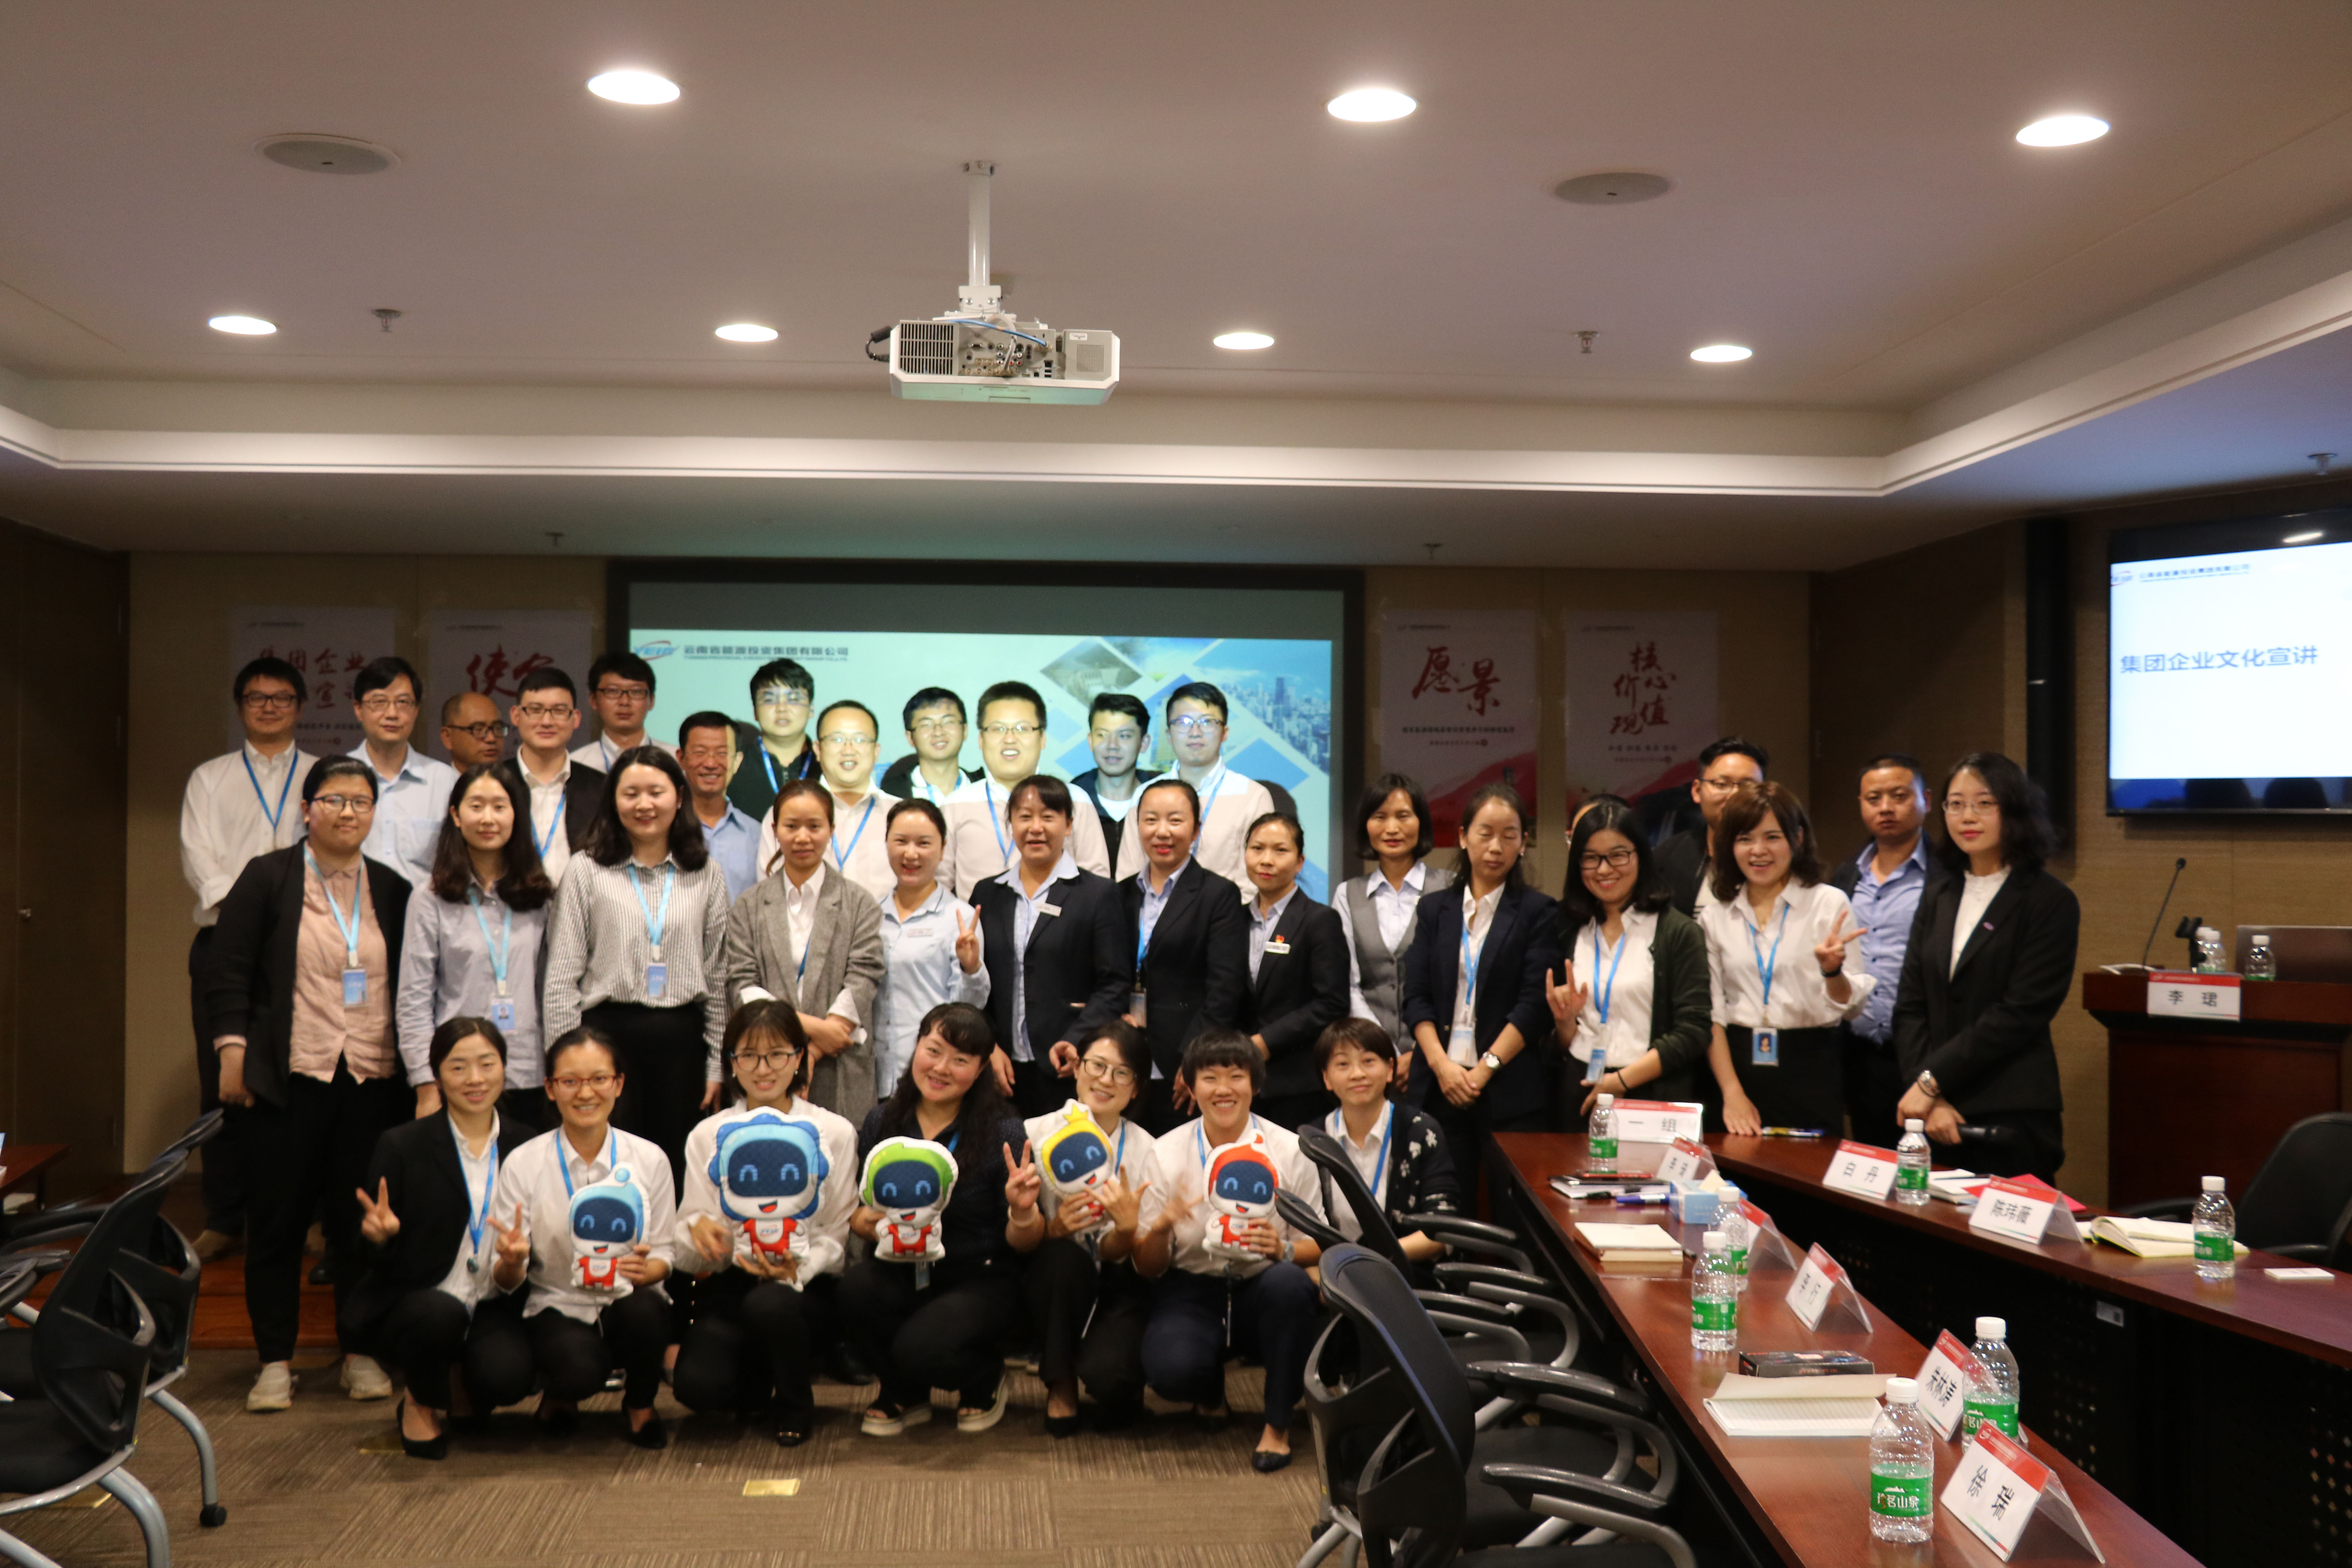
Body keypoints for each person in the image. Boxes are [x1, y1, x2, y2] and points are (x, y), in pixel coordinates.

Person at [205, 756, 412, 1413]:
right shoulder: (268, 877)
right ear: (307, 810)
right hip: (289, 1078)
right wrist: (232, 1051)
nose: (348, 812)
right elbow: (228, 969)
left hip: (370, 1077)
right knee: (277, 1222)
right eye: (334, 800)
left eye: (361, 802)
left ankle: (360, 1351)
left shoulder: (393, 888)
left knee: (359, 1224)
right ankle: (274, 1360)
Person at [340, 1019, 539, 1459]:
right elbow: (370, 1258)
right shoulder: (403, 1145)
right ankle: (420, 1399)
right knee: (439, 1315)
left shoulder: (528, 1146)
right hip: (419, 1300)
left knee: (509, 1377)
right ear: (437, 1076)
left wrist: (513, 1262)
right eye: (458, 1067)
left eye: (487, 1064)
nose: (475, 1079)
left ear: (505, 1068)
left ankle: (460, 1381)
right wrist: (380, 1237)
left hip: (492, 1298)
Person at [671, 1000, 860, 1445]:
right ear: (731, 1061)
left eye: (776, 1054)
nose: (763, 1069)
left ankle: (795, 1403)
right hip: (733, 1283)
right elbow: (687, 1241)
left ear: (799, 1058)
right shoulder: (708, 1136)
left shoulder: (834, 1132)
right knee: (697, 1387)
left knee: (772, 1306)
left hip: (806, 1291)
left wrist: (799, 1270)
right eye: (749, 1056)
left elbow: (838, 1237)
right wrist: (704, 1239)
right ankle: (758, 1378)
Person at [1136, 1029, 1325, 1474]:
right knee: (1170, 1369)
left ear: (1255, 1085)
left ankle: (1277, 1424)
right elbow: (1147, 1267)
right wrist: (1160, 1228)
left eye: (1236, 1077)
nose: (1224, 1089)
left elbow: (1322, 1243)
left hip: (1263, 1285)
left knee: (1288, 1283)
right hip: (1192, 1286)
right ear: (1190, 1086)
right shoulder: (1165, 1153)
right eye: (1210, 1078)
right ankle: (1209, 1391)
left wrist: (1283, 1249)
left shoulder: (1290, 1151)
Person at [180, 655, 318, 1260]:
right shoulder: (209, 778)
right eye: (257, 698)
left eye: (281, 697)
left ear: (300, 707)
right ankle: (225, 1216)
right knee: (223, 1084)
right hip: (226, 947)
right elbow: (200, 861)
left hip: (307, 945)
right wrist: (253, 915)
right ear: (240, 707)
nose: (269, 707)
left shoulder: (320, 776)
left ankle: (309, 1215)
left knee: (306, 1083)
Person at [543, 746, 731, 1185]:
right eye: (631, 794)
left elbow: (718, 976)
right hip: (605, 1042)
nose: (644, 804)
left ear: (679, 797)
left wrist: (716, 1064)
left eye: (655, 792)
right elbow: (562, 977)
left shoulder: (705, 872)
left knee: (675, 1169)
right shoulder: (586, 870)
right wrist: (564, 1064)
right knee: (606, 1170)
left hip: (681, 1046)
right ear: (614, 800)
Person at [840, 1002, 1026, 1436]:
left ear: (981, 1070)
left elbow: (1025, 1241)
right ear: (917, 1047)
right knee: (854, 1290)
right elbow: (862, 1210)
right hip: (901, 1267)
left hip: (976, 1277)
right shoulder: (883, 1120)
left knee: (921, 1349)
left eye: (960, 1060)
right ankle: (904, 1391)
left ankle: (984, 1378)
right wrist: (865, 1222)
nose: (941, 1068)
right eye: (934, 1050)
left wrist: (1023, 1210)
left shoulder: (1003, 1131)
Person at [488, 1026, 677, 1448]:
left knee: (647, 1312)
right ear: (550, 1088)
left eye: (599, 1079)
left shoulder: (650, 1159)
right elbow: (504, 1279)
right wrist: (513, 1261)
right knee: (578, 1370)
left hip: (628, 1297)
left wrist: (648, 1270)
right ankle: (562, 1393)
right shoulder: (524, 1162)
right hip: (559, 1302)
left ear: (618, 1084)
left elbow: (667, 1252)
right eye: (570, 1081)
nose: (586, 1093)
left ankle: (641, 1405)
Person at [1893, 752, 2077, 1181]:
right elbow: (1910, 1005)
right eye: (1956, 804)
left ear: (2014, 810)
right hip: (1933, 1113)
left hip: (2010, 1110)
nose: (1967, 817)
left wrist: (1932, 1081)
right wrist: (1929, 1091)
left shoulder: (2050, 900)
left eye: (1984, 803)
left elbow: (2020, 1012)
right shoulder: (1939, 894)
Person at [1400, 783, 1564, 1172]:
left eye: (1509, 836)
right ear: (1463, 837)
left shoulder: (1539, 912)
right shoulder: (1434, 909)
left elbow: (1534, 1005)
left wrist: (1484, 1069)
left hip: (1507, 1091)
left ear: (1523, 843)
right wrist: (1442, 1066)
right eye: (1485, 833)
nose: (1496, 847)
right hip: (1439, 1084)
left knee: (1510, 1201)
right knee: (1443, 1200)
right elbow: (1416, 996)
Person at [1009, 1020, 1158, 1436]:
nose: (1106, 1080)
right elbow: (1017, 1242)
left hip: (1118, 1280)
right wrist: (1049, 1227)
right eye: (1097, 1065)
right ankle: (1060, 1383)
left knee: (1114, 1383)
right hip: (1053, 1275)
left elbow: (1144, 1260)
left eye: (1122, 1073)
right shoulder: (1034, 1134)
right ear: (1077, 1069)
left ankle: (1114, 1378)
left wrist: (1126, 1231)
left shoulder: (1148, 1150)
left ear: (1136, 1088)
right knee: (1062, 1257)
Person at [1697, 781, 1872, 1137]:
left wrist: (1833, 972)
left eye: (1772, 837)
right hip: (1737, 1068)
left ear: (1798, 839)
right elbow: (1711, 1014)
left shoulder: (1828, 904)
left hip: (1811, 1065)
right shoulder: (1716, 916)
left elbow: (1851, 1008)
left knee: (1809, 1170)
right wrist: (1732, 1093)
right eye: (1745, 839)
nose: (1758, 851)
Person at [397, 764, 556, 1130]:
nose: (488, 819)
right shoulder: (430, 899)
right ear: (456, 815)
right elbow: (414, 999)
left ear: (517, 815)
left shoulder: (541, 897)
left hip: (530, 1071)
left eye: (500, 807)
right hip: (459, 1075)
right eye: (476, 806)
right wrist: (425, 1082)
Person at [722, 777, 888, 1124]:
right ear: (775, 831)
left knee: (841, 1150)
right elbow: (742, 983)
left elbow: (864, 977)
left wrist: (812, 1051)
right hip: (767, 1063)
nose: (802, 837)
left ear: (831, 830)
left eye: (814, 826)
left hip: (840, 1062)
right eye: (791, 826)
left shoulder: (859, 903)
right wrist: (812, 1028)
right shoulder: (749, 905)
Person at [970, 776, 1132, 1117]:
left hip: (1067, 1065)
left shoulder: (1098, 894)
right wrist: (988, 1046)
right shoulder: (987, 894)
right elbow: (977, 984)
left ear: (1069, 825)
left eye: (1048, 817)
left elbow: (1115, 983)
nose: (1036, 828)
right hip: (1000, 1071)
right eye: (1025, 817)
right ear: (1011, 824)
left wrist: (1076, 1040)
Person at [1546, 797, 1713, 1123]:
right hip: (1581, 1089)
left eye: (1618, 855)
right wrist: (1564, 1023)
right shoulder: (1570, 928)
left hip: (1650, 1095)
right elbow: (1564, 1042)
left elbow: (1694, 1031)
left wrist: (1621, 1081)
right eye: (1591, 858)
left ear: (1642, 855)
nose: (1604, 869)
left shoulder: (1678, 932)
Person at [1117, 778, 1248, 1134]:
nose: (1162, 832)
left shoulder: (1218, 894)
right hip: (1127, 1061)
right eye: (1151, 820)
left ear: (1196, 830)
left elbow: (1225, 989)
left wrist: (1195, 1058)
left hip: (1183, 1066)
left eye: (1175, 820)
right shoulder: (1121, 894)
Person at [1829, 754, 1941, 1150]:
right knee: (1872, 1166)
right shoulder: (1845, 877)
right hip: (1860, 1055)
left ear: (1926, 800)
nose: (1886, 808)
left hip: (1926, 1055)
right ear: (1861, 804)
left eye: (1900, 796)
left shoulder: (1948, 876)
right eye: (1874, 799)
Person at [1333, 773, 1453, 1108]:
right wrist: (1383, 1052)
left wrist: (1423, 1052)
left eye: (1403, 816)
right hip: (1369, 1061)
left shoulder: (1450, 888)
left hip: (1440, 1059)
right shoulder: (1348, 894)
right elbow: (1349, 985)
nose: (1392, 828)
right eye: (1380, 817)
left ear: (1421, 822)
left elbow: (1455, 982)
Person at [1312, 1018, 1462, 1263]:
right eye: (1343, 1064)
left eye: (1368, 1061)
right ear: (1327, 1078)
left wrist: (1372, 1260)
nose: (1357, 1074)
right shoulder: (1313, 1140)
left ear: (1391, 1069)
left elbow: (1442, 1229)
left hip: (1408, 1272)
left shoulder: (1420, 1131)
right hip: (1333, 1273)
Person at [942, 681, 1111, 896]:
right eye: (998, 729)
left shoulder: (1075, 799)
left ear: (1043, 738)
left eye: (1022, 728)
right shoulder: (955, 805)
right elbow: (938, 885)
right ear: (981, 739)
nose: (1010, 739)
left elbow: (1097, 883)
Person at [872, 799, 991, 1100]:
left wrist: (971, 968)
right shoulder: (870, 915)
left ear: (943, 848)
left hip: (933, 1075)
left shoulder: (959, 919)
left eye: (924, 843)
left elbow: (969, 1010)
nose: (911, 854)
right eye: (901, 841)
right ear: (887, 843)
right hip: (873, 1075)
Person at [1240, 811, 1349, 1132]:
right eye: (1257, 849)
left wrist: (1265, 1042)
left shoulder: (1319, 920)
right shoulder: (1233, 919)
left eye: (1280, 850)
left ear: (1300, 862)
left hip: (1297, 1084)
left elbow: (1332, 1003)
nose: (1267, 860)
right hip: (1240, 1081)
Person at [1113, 682, 1274, 889]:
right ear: (1169, 735)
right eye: (1184, 722)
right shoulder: (1145, 795)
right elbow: (1129, 875)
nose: (1195, 732)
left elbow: (1255, 883)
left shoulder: (1252, 796)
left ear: (1225, 732)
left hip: (1227, 910)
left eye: (1207, 722)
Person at [765, 699, 895, 904]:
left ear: (876, 751)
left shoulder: (900, 815)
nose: (848, 750)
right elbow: (769, 893)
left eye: (859, 740)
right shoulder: (784, 814)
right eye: (837, 739)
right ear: (818, 750)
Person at [348, 655, 459, 891]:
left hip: (422, 911)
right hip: (349, 909)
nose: (392, 713)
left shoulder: (444, 781)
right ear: (358, 709)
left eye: (403, 702)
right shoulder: (335, 778)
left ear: (416, 710)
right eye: (379, 702)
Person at [510, 668, 604, 888]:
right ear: (516, 716)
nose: (547, 721)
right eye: (535, 710)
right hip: (507, 904)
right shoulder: (492, 783)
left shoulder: (602, 788)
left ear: (576, 718)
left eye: (559, 711)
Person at [1653, 737, 1769, 918]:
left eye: (1748, 786)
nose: (1735, 795)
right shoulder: (1667, 859)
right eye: (1722, 785)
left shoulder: (1781, 856)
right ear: (1697, 791)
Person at [677, 710, 762, 900]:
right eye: (700, 752)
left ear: (737, 761)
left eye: (722, 753)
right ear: (681, 758)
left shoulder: (757, 835)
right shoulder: (663, 829)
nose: (711, 763)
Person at [1069, 693, 1160, 870]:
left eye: (1124, 736)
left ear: (1144, 743)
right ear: (1091, 741)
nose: (1112, 745)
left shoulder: (1163, 798)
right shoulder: (1070, 800)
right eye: (1102, 735)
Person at [728, 657, 820, 827]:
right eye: (769, 700)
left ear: (811, 709)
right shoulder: (734, 766)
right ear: (755, 711)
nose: (782, 708)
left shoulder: (826, 766)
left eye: (794, 699)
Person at [878, 686, 978, 806]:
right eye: (927, 725)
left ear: (965, 731)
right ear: (910, 738)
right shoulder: (889, 799)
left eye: (948, 722)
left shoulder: (987, 792)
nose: (938, 732)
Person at [572, 651, 666, 771]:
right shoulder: (576, 765)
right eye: (613, 691)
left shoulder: (676, 762)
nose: (625, 702)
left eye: (636, 692)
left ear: (652, 701)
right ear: (594, 700)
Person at [438, 691, 509, 770]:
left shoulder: (514, 778)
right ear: (448, 737)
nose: (492, 739)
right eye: (478, 730)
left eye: (498, 728)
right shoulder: (438, 778)